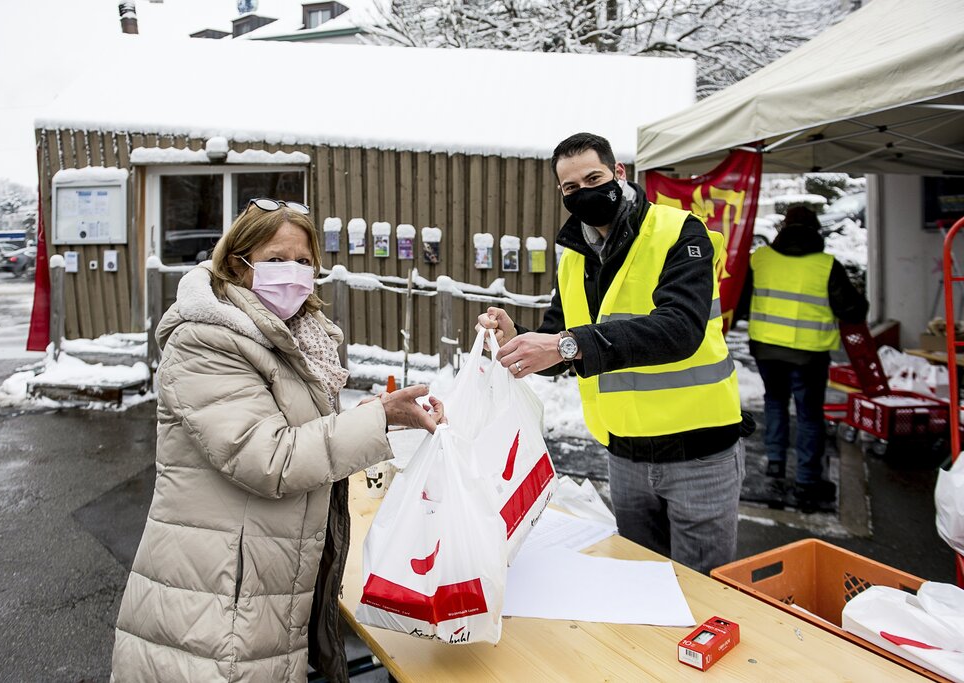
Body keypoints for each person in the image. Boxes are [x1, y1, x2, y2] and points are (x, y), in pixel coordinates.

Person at [111, 198, 444, 682]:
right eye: (275, 260)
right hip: (217, 595)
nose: (292, 272)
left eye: (303, 261)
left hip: (265, 576)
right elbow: (270, 458)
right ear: (237, 265)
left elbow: (299, 431)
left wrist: (386, 418)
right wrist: (378, 419)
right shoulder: (205, 340)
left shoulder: (297, 338)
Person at [478, 132, 744, 574]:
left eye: (594, 177)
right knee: (641, 584)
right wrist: (516, 338)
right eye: (571, 188)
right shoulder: (575, 260)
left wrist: (567, 343)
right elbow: (559, 341)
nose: (584, 192)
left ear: (619, 173)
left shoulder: (679, 232)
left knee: (701, 592)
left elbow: (680, 329)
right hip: (625, 455)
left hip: (699, 453)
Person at [739, 205, 868, 510]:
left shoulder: (760, 260)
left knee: (775, 403)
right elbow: (852, 310)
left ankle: (775, 465)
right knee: (809, 414)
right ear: (816, 229)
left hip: (766, 349)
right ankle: (808, 479)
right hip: (809, 354)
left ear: (784, 228)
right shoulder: (826, 265)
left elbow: (740, 301)